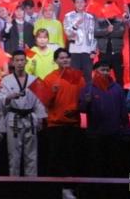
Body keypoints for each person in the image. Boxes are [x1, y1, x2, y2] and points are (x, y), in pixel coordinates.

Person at [41, 48, 85, 199]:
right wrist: (52, 92)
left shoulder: (78, 76)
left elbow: (82, 98)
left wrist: (77, 109)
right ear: (55, 61)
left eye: (67, 57)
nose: (65, 60)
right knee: (56, 158)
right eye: (61, 58)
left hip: (74, 123)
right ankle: (55, 189)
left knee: (72, 157)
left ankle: (70, 188)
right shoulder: (49, 78)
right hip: (56, 124)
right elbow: (45, 103)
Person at [78, 59, 130, 178]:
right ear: (95, 71)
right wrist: (86, 102)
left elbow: (123, 111)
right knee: (97, 166)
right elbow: (82, 110)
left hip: (115, 134)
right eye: (102, 70)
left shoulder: (117, 88)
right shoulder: (88, 88)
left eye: (107, 70)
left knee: (114, 166)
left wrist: (126, 131)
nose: (105, 72)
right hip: (95, 135)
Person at [0, 50, 47, 177]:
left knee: (31, 154)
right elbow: (1, 99)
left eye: (22, 60)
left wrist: (40, 118)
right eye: (17, 60)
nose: (20, 63)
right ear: (13, 62)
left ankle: (31, 183)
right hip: (14, 118)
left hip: (30, 118)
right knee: (14, 154)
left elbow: (38, 101)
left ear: (26, 62)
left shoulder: (34, 80)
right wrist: (9, 97)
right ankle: (14, 182)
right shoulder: (6, 80)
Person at [63, 0, 97, 83]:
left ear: (85, 3)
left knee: (88, 75)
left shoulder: (90, 17)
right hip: (74, 50)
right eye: (77, 2)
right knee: (74, 75)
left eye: (82, 2)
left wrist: (93, 50)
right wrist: (76, 25)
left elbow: (93, 34)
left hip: (87, 50)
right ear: (74, 4)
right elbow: (68, 33)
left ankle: (88, 91)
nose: (80, 4)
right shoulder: (68, 16)